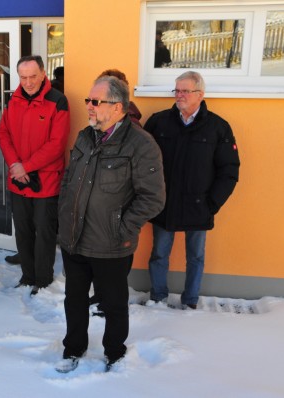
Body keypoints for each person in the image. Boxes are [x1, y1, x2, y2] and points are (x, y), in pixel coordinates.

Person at [55, 76, 165, 374]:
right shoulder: (85, 136)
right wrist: (64, 213)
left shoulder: (141, 144)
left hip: (111, 244)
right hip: (74, 238)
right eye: (88, 101)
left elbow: (153, 198)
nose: (88, 106)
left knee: (114, 304)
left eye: (95, 102)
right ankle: (73, 348)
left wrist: (122, 228)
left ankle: (114, 353)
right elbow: (70, 179)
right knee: (74, 300)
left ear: (117, 107)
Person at [145, 71, 240, 309]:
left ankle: (190, 302)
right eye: (176, 90)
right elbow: (143, 162)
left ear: (200, 94)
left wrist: (212, 203)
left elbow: (229, 170)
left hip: (199, 205)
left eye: (185, 91)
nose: (180, 95)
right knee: (159, 255)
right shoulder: (159, 122)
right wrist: (149, 196)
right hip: (165, 204)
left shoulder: (218, 127)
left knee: (196, 257)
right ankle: (158, 298)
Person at [0, 55, 70, 296]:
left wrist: (25, 166)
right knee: (24, 230)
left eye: (33, 77)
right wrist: (15, 164)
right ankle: (27, 276)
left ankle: (43, 280)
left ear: (43, 74)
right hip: (19, 179)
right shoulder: (13, 100)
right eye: (23, 77)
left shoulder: (58, 101)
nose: (28, 82)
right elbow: (3, 134)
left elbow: (56, 144)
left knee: (44, 232)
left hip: (46, 181)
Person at [87, 68, 144, 312]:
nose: (93, 105)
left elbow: (145, 190)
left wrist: (125, 224)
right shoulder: (93, 128)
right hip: (98, 218)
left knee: (117, 267)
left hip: (119, 216)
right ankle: (100, 295)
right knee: (98, 262)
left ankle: (111, 302)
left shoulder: (135, 131)